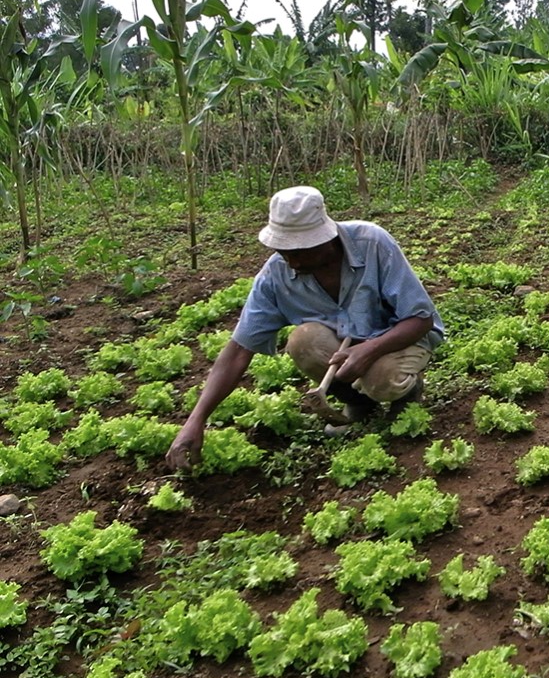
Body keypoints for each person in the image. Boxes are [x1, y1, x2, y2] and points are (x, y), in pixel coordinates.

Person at [165, 186, 444, 470]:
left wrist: (370, 350)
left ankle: (406, 393)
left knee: (382, 375)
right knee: (302, 341)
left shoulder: (372, 243)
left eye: (300, 250)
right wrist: (196, 419)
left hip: (401, 338)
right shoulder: (277, 274)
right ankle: (359, 404)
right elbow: (238, 350)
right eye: (284, 250)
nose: (292, 261)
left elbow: (420, 319)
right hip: (344, 347)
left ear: (327, 238)